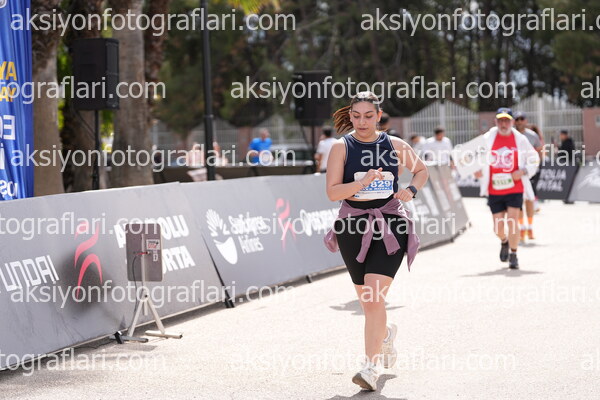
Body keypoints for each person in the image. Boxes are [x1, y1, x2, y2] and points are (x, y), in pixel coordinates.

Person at [323, 92, 428, 391]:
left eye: (369, 116)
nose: (362, 121)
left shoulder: (395, 145)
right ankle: (385, 335)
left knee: (372, 297)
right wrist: (361, 182)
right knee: (369, 302)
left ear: (379, 115)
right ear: (350, 115)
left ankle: (370, 367)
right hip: (352, 226)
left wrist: (411, 190)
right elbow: (332, 192)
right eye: (356, 116)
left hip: (390, 225)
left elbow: (421, 171)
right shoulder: (341, 147)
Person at [474, 108, 540, 269]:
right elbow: (474, 159)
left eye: (507, 120)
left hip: (514, 188)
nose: (503, 124)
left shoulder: (520, 140)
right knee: (498, 228)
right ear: (495, 122)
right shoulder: (487, 139)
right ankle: (504, 241)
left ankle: (514, 254)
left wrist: (523, 171)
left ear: (512, 122)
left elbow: (534, 158)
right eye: (500, 120)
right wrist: (477, 171)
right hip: (494, 189)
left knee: (512, 221)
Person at [514, 112, 542, 241]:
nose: (519, 121)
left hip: (530, 172)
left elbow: (539, 150)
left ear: (526, 120)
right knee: (518, 200)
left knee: (530, 199)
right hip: (516, 173)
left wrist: (536, 166)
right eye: (517, 119)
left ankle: (530, 227)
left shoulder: (532, 135)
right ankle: (522, 228)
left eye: (522, 119)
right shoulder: (511, 135)